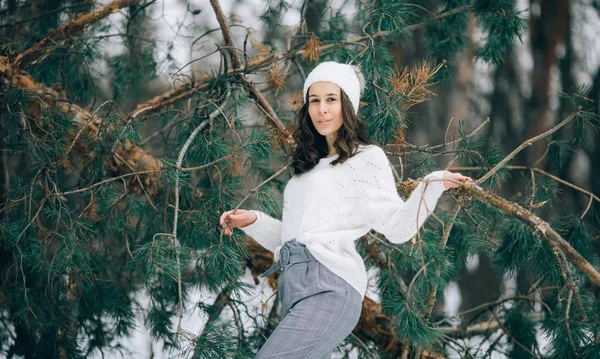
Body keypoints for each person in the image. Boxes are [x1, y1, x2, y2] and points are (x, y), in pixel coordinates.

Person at [219, 61, 472, 358]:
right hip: (294, 288)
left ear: (347, 105)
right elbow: (295, 238)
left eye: (331, 99)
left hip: (331, 287)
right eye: (314, 101)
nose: (322, 109)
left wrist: (434, 183)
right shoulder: (305, 169)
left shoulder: (366, 159)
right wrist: (253, 221)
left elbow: (398, 227)